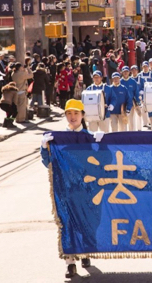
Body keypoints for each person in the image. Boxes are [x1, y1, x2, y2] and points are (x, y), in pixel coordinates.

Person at [39, 99, 102, 278]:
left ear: (83, 115)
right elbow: (48, 163)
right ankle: (70, 263)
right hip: (65, 190)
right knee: (67, 224)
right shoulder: (58, 139)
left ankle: (85, 252)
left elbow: (106, 163)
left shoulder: (90, 137)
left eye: (76, 113)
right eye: (69, 113)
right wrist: (44, 148)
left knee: (88, 223)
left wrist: (102, 145)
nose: (72, 117)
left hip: (88, 190)